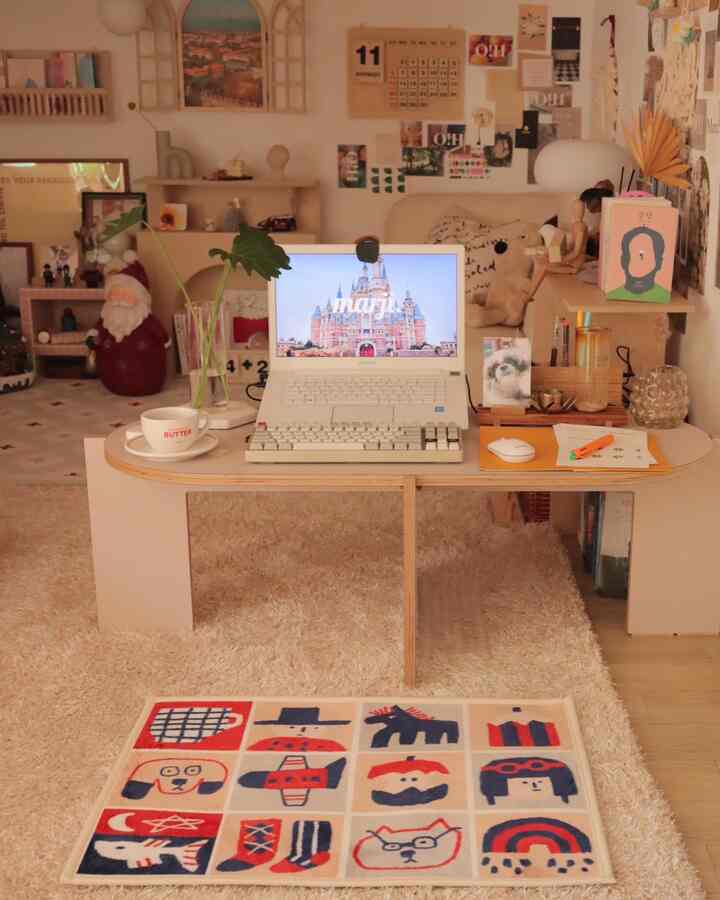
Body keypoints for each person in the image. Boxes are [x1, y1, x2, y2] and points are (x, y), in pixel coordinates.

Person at [95, 254, 170, 395]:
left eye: (125, 294)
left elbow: (160, 333)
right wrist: (93, 338)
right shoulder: (107, 318)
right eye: (115, 294)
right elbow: (97, 333)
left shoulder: (145, 319)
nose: (119, 299)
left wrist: (164, 339)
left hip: (146, 380)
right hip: (113, 379)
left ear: (140, 297)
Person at [607, 226, 669, 301]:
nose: (639, 262)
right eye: (633, 253)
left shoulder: (663, 295)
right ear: (622, 260)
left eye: (645, 255)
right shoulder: (613, 295)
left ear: (659, 262)